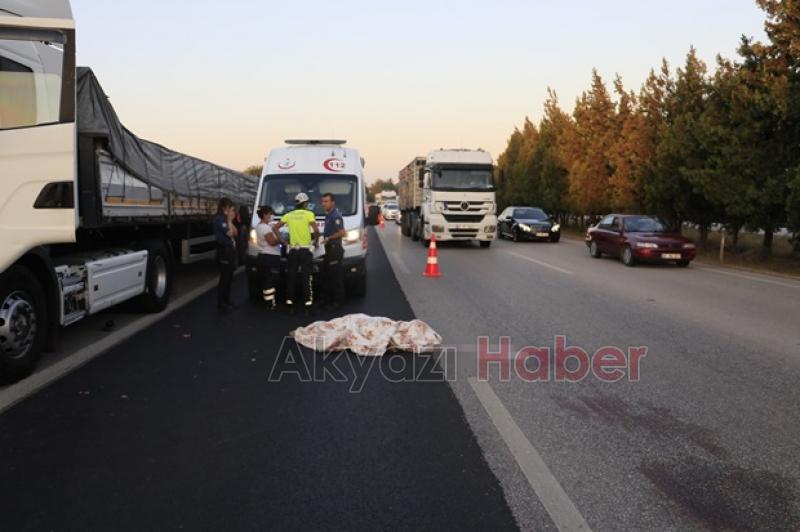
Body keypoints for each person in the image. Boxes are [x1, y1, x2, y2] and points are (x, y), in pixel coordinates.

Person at [276, 192, 319, 315]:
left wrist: (283, 241)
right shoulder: (309, 214)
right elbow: (316, 230)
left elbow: (275, 228)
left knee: (291, 277)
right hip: (305, 250)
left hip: (293, 250)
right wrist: (315, 241)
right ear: (305, 203)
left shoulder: (288, 215)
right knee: (307, 278)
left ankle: (290, 305)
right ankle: (308, 306)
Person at [321, 193, 347, 310]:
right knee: (327, 276)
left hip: (334, 249)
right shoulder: (328, 215)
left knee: (336, 277)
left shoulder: (335, 215)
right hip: (328, 249)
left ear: (332, 202)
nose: (324, 204)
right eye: (323, 201)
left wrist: (329, 238)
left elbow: (342, 232)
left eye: (326, 201)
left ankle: (338, 302)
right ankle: (326, 300)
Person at [254, 206, 282, 309]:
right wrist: (281, 239)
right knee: (270, 280)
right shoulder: (265, 227)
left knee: (267, 280)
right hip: (269, 257)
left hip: (264, 255)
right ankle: (270, 304)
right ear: (265, 215)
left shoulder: (260, 226)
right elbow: (272, 242)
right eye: (270, 214)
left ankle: (269, 302)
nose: (271, 216)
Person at [212, 197, 238, 311]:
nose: (231, 211)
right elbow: (230, 233)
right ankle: (221, 303)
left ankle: (227, 300)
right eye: (229, 208)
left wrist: (230, 221)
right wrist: (229, 220)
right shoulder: (219, 220)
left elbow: (236, 232)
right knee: (225, 278)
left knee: (230, 277)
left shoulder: (226, 219)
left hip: (230, 250)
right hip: (224, 251)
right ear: (223, 208)